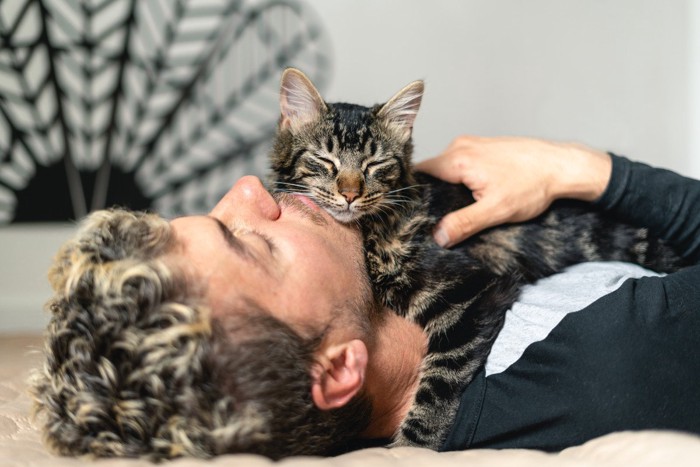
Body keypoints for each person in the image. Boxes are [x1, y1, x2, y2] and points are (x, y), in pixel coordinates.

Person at [31, 137, 700, 460]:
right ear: (337, 367)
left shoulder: (456, 293)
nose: (249, 190)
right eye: (250, 242)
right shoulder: (607, 353)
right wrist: (584, 170)